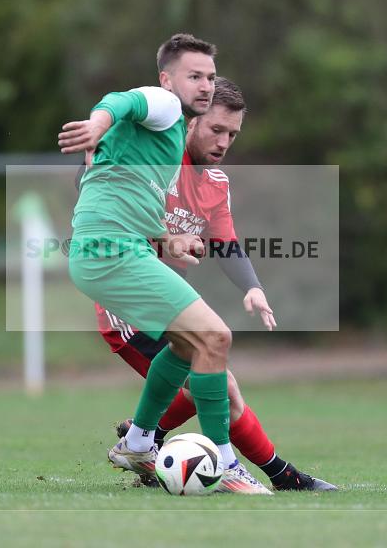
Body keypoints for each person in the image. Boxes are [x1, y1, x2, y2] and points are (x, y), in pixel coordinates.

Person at [89, 78, 337, 492]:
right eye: (216, 129)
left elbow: (225, 241)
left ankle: (141, 438)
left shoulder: (216, 182)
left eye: (232, 134)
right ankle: (257, 472)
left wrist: (251, 286)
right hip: (129, 302)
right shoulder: (157, 163)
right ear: (188, 124)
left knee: (212, 374)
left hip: (166, 299)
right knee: (221, 379)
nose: (224, 141)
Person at [59, 33, 270, 494]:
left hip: (115, 249)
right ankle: (226, 464)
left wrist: (165, 239)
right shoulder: (165, 106)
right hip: (109, 252)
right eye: (194, 76)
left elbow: (127, 197)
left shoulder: (168, 139)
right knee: (215, 338)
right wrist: (97, 124)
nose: (206, 86)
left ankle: (137, 442)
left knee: (189, 346)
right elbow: (122, 100)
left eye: (211, 77)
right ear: (167, 78)